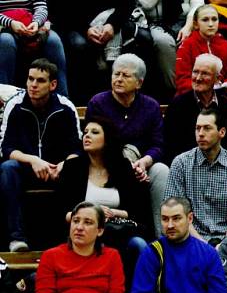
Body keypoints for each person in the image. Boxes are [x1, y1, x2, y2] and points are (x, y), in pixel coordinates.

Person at [85, 54, 170, 234]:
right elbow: (93, 141)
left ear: (139, 83)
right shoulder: (98, 103)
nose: (119, 79)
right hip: (106, 164)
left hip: (141, 166)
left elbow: (159, 145)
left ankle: (161, 237)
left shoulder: (151, 106)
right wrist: (124, 164)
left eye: (125, 75)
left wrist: (144, 162)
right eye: (116, 74)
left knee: (162, 170)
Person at [0, 58, 80, 252]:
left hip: (57, 171)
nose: (33, 85)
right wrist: (33, 160)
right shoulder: (15, 105)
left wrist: (62, 164)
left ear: (53, 84)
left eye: (40, 80)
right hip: (27, 169)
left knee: (75, 167)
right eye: (30, 79)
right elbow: (7, 149)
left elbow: (78, 150)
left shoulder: (66, 107)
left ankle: (69, 239)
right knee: (7, 168)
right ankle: (16, 238)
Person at [131, 197, 227, 293]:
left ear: (190, 218)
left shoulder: (208, 253)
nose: (170, 225)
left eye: (176, 218)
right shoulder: (152, 252)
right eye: (165, 219)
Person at [57, 117, 150, 271]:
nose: (87, 135)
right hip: (84, 233)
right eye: (85, 132)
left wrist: (113, 212)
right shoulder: (72, 167)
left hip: (119, 232)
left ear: (107, 139)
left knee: (139, 244)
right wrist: (92, 214)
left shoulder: (123, 167)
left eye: (94, 132)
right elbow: (61, 211)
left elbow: (138, 211)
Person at [36, 202, 128, 293]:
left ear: (100, 230)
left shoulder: (112, 256)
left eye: (88, 222)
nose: (79, 227)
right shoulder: (51, 255)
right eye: (76, 221)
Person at [165, 108, 227, 244]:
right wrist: (202, 245)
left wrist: (226, 244)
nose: (200, 134)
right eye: (197, 128)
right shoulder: (180, 163)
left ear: (221, 132)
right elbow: (176, 212)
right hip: (190, 238)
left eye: (207, 128)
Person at [163, 54, 227, 161]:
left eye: (205, 73)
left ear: (218, 79)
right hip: (189, 167)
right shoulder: (178, 105)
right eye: (195, 72)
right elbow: (170, 147)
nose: (198, 78)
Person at [174, 4, 227, 95]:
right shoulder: (187, 46)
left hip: (222, 96)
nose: (210, 24)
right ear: (196, 24)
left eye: (214, 19)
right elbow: (182, 81)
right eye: (205, 20)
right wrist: (207, 89)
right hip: (192, 96)